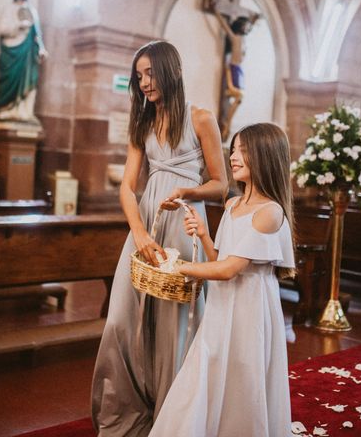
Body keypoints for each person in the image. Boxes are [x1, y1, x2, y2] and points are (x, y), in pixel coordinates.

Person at [91, 40, 228, 436]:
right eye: (139, 76)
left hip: (184, 222)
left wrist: (188, 192)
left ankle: (175, 415)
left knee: (175, 324)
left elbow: (221, 185)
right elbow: (127, 187)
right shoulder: (143, 122)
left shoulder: (201, 117)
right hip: (147, 224)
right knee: (122, 318)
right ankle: (133, 404)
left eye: (150, 74)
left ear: (171, 71)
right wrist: (138, 233)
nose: (144, 83)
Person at [149, 122, 296, 437]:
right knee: (206, 369)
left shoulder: (270, 212)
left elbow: (229, 270)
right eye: (234, 149)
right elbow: (217, 260)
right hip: (223, 305)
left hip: (250, 309)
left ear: (265, 156)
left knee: (243, 376)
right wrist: (203, 234)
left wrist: (179, 269)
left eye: (244, 150)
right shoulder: (233, 204)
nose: (234, 156)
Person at [0, 0, 48, 125]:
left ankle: (24, 111)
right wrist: (18, 25)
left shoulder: (33, 12)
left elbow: (38, 34)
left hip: (28, 52)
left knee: (31, 79)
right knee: (9, 78)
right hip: (12, 50)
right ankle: (6, 109)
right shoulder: (9, 9)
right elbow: (1, 29)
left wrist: (41, 48)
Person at [211, 5, 254, 141]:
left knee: (239, 98)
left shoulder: (245, 39)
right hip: (233, 69)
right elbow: (225, 26)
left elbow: (251, 24)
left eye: (249, 26)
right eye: (246, 25)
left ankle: (227, 123)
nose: (248, 28)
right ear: (241, 25)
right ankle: (227, 124)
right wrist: (216, 11)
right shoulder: (235, 37)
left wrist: (255, 19)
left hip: (240, 71)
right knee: (239, 96)